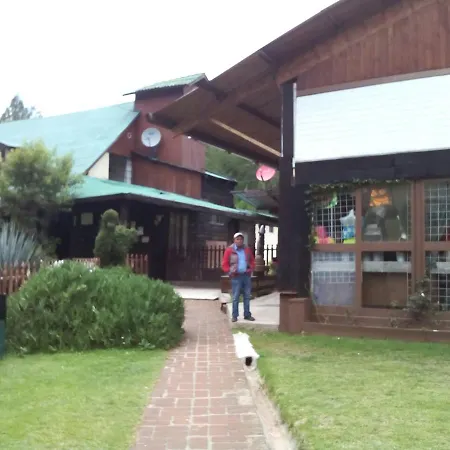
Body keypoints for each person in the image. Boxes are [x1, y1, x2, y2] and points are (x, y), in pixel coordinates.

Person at [221, 232, 256, 322]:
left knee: (247, 296)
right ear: (234, 240)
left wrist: (251, 268)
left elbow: (252, 260)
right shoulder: (229, 250)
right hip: (236, 276)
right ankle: (234, 315)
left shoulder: (247, 249)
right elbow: (224, 263)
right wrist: (230, 272)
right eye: (237, 239)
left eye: (241, 239)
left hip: (246, 276)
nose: (239, 241)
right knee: (236, 296)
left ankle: (247, 314)